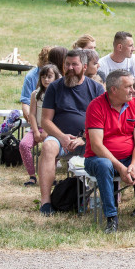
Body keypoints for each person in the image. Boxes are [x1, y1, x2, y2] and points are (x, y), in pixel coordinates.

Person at [84, 69, 135, 231]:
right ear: (114, 90)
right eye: (128, 87)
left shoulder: (134, 105)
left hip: (127, 158)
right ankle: (111, 218)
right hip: (97, 158)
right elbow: (97, 145)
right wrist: (120, 167)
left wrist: (133, 165)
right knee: (104, 165)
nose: (133, 90)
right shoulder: (96, 106)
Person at [38, 50, 104, 215]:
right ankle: (46, 202)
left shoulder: (96, 88)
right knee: (48, 147)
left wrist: (83, 138)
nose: (70, 68)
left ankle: (105, 199)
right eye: (67, 64)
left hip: (89, 139)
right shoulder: (54, 87)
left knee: (106, 147)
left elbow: (104, 121)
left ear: (84, 66)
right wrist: (62, 137)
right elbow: (45, 120)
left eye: (74, 64)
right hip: (60, 138)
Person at [19, 63, 61, 186]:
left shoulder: (58, 95)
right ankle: (32, 175)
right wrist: (36, 131)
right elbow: (32, 114)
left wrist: (47, 132)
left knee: (51, 149)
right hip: (37, 128)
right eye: (43, 77)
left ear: (55, 78)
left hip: (52, 130)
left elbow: (58, 116)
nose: (46, 80)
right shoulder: (36, 94)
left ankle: (50, 176)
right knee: (23, 145)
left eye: (49, 76)